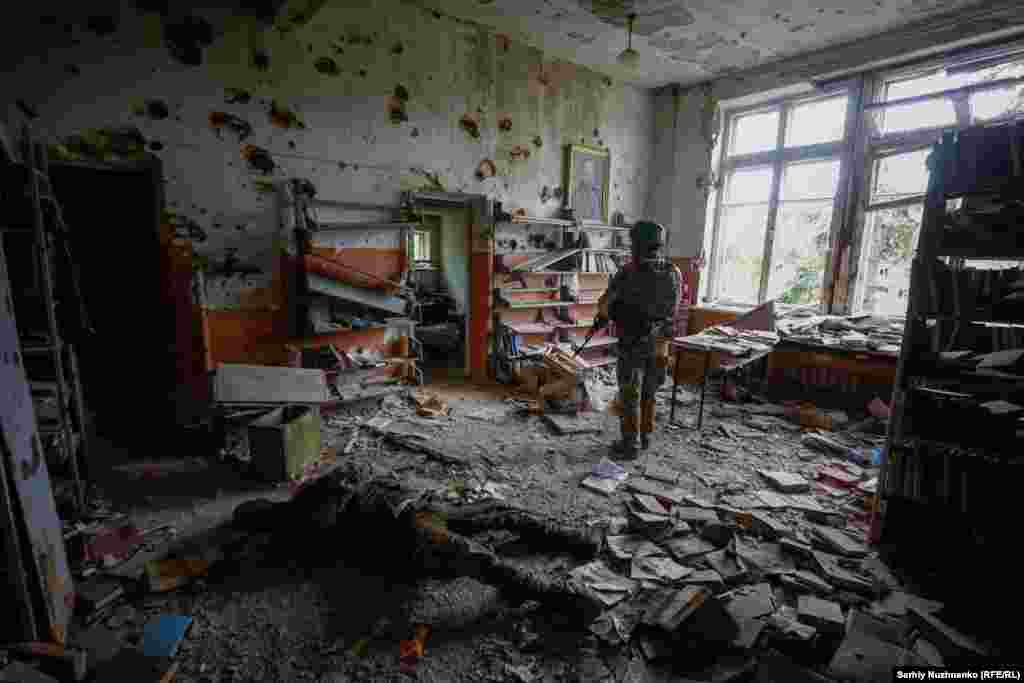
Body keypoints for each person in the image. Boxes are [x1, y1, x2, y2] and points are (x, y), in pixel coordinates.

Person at [594, 221, 682, 458]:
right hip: (661, 345)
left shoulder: (627, 273)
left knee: (629, 394)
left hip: (633, 344)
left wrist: (602, 317)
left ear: (636, 245)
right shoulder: (674, 271)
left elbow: (605, 304)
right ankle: (646, 437)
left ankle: (630, 444)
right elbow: (673, 309)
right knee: (649, 393)